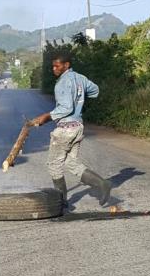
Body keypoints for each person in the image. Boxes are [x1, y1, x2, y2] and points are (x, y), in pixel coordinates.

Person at [28, 52, 112, 206]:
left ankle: (61, 202)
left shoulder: (63, 82)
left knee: (54, 165)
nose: (54, 69)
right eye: (53, 66)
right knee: (71, 162)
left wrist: (46, 117)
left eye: (57, 66)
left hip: (65, 129)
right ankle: (102, 184)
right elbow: (95, 91)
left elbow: (66, 107)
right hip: (78, 127)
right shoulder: (80, 78)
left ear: (66, 65)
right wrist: (80, 98)